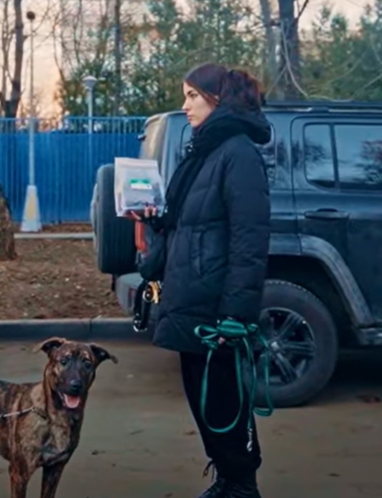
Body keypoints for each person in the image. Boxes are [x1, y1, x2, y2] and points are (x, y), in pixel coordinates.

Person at [129, 62, 271, 498]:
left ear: (217, 98)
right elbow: (189, 227)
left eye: (192, 95)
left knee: (223, 402)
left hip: (216, 308)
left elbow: (249, 241)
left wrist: (236, 315)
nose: (185, 104)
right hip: (192, 298)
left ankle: (241, 484)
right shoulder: (204, 152)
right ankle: (228, 480)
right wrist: (154, 220)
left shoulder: (238, 153)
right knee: (204, 401)